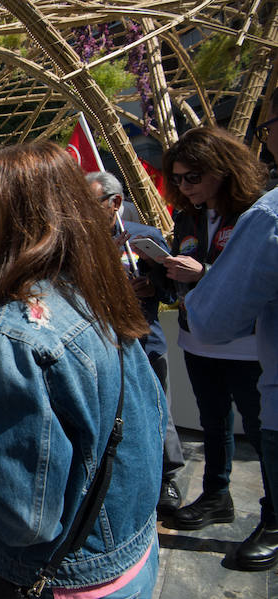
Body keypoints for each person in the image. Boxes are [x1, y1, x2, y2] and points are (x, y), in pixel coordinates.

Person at [0, 142, 166, 597]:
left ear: (1, 221)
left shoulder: (5, 333)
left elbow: (23, 517)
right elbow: (150, 420)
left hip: (67, 577)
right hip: (132, 556)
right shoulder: (92, 287)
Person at [155, 126, 274, 569]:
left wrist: (204, 272)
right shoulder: (187, 216)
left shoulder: (255, 214)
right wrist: (158, 275)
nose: (185, 187)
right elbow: (177, 275)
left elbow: (252, 279)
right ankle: (216, 496)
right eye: (179, 179)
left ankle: (274, 516)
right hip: (196, 339)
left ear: (222, 172)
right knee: (213, 424)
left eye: (193, 177)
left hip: (248, 345)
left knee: (266, 435)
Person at [86, 170, 185, 515]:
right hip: (103, 345)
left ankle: (167, 477)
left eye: (91, 202)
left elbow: (170, 290)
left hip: (145, 341)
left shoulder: (145, 237)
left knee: (158, 408)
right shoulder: (84, 246)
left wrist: (151, 286)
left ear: (115, 203)